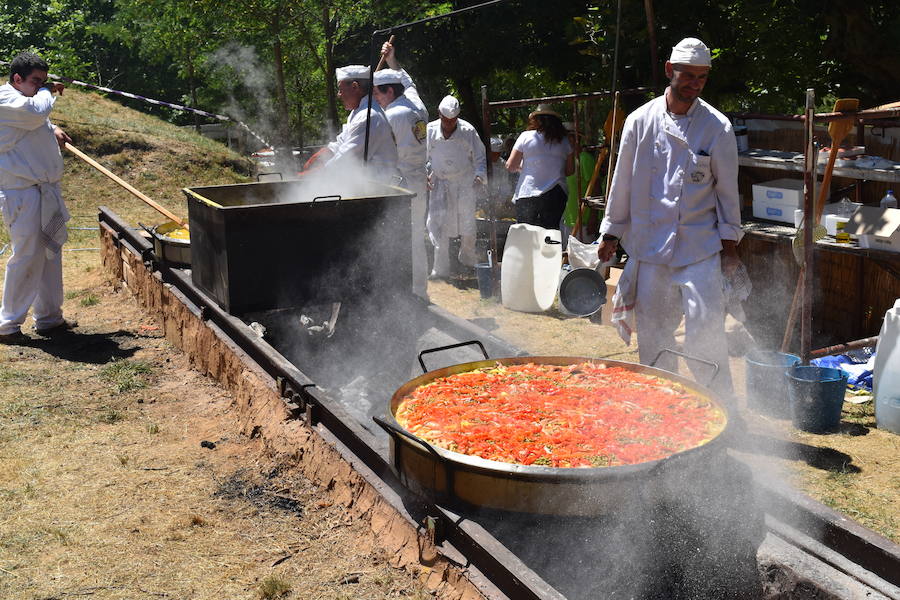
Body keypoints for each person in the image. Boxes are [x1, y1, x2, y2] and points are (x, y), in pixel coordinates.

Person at [597, 37, 742, 396]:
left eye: (702, 77)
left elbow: (727, 193)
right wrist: (611, 234)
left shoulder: (717, 127)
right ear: (669, 71)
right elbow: (622, 182)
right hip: (649, 246)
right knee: (654, 334)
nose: (694, 83)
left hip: (698, 248)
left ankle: (722, 410)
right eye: (688, 75)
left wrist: (731, 249)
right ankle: (659, 406)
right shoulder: (638, 121)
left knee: (706, 334)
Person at [0, 52, 76, 343]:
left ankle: (49, 319)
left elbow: (36, 121)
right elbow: (33, 113)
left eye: (43, 81)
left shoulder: (24, 102)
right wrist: (47, 93)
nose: (40, 86)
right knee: (28, 256)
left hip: (45, 191)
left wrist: (52, 128)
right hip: (22, 193)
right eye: (36, 81)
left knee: (50, 253)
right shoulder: (5, 99)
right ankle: (7, 325)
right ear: (17, 79)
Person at [372, 42, 429, 297]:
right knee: (416, 236)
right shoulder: (416, 105)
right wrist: (393, 59)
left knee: (402, 239)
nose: (375, 99)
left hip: (402, 182)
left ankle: (411, 292)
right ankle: (419, 290)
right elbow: (409, 82)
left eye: (377, 94)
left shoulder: (392, 115)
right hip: (418, 177)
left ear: (389, 93)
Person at [425, 95, 486, 279]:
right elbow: (421, 156)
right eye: (446, 120)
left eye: (453, 121)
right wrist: (423, 175)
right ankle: (440, 267)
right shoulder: (429, 130)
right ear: (439, 115)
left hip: (464, 182)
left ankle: (467, 257)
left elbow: (480, 158)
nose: (449, 125)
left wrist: (479, 177)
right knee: (438, 224)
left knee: (468, 224)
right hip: (439, 182)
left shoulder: (468, 130)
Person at [319, 64, 399, 181]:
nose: (339, 95)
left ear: (355, 87)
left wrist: (316, 176)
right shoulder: (357, 112)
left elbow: (347, 159)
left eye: (340, 90)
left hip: (381, 188)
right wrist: (319, 157)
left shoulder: (369, 116)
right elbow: (341, 143)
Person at [505, 104, 575, 229]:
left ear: (536, 120)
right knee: (550, 234)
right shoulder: (564, 141)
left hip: (528, 191)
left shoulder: (525, 136)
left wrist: (525, 168)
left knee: (526, 234)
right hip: (555, 193)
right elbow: (570, 170)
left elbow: (511, 165)